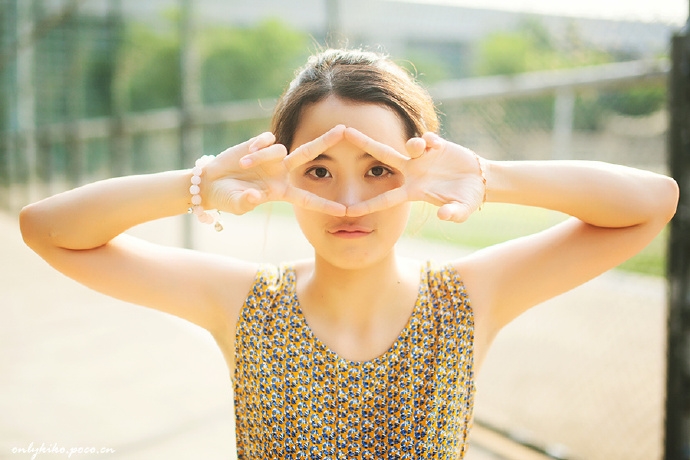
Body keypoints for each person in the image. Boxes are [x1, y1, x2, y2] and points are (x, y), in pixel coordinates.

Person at [19, 48, 679, 459]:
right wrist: (203, 187)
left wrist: (488, 175)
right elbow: (47, 227)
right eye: (320, 171)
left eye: (380, 169)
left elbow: (653, 201)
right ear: (284, 177)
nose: (352, 200)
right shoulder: (245, 302)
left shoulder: (468, 297)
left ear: (420, 171)